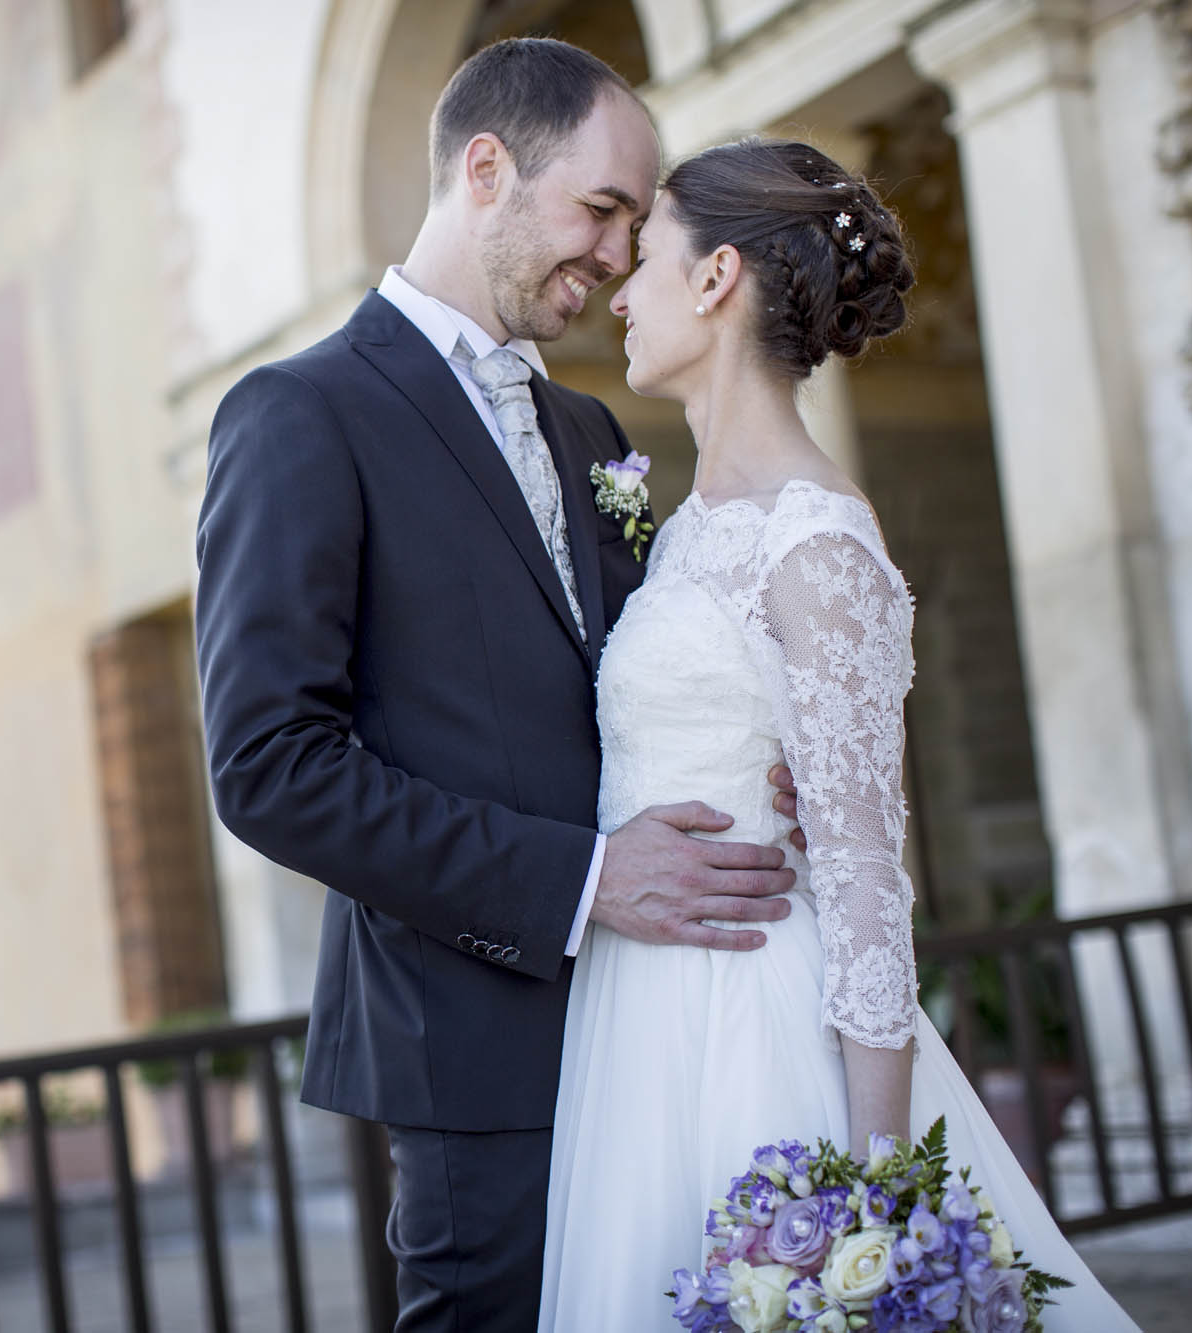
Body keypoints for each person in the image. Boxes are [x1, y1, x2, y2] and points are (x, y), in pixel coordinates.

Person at [194, 39, 804, 1331]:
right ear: (486, 169)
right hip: (472, 1049)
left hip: (671, 1017)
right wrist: (581, 883)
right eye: (602, 209)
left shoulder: (590, 430)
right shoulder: (298, 415)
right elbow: (269, 768)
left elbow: (635, 680)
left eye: (638, 224)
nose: (620, 253)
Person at [536, 136, 1141, 1330]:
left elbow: (866, 879)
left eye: (644, 253)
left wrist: (875, 1190)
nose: (619, 287)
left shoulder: (815, 543)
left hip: (751, 1015)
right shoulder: (687, 529)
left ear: (715, 280)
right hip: (635, 1020)